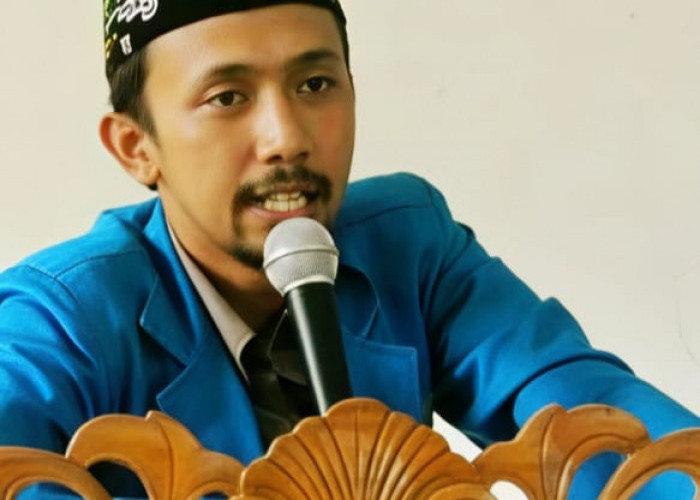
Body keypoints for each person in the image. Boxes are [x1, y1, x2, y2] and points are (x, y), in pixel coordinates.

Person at [0, 1, 697, 498]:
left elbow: (598, 418)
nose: (287, 137)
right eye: (228, 97)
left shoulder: (408, 242)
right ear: (136, 147)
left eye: (314, 85)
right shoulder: (60, 316)